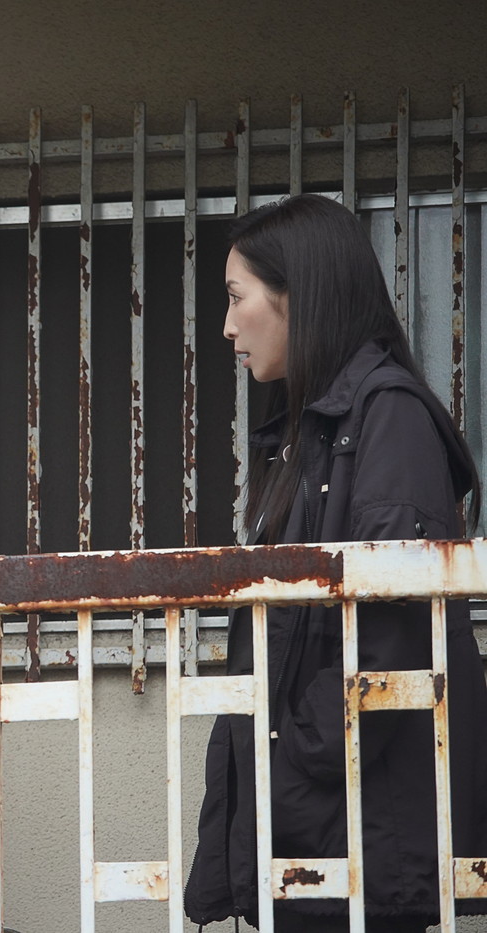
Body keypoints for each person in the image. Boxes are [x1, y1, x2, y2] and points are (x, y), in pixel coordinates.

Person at [184, 195, 487, 931]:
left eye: (236, 297)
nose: (226, 326)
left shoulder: (389, 417)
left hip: (353, 824)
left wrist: (292, 763)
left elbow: (391, 633)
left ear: (297, 296)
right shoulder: (313, 429)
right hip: (320, 822)